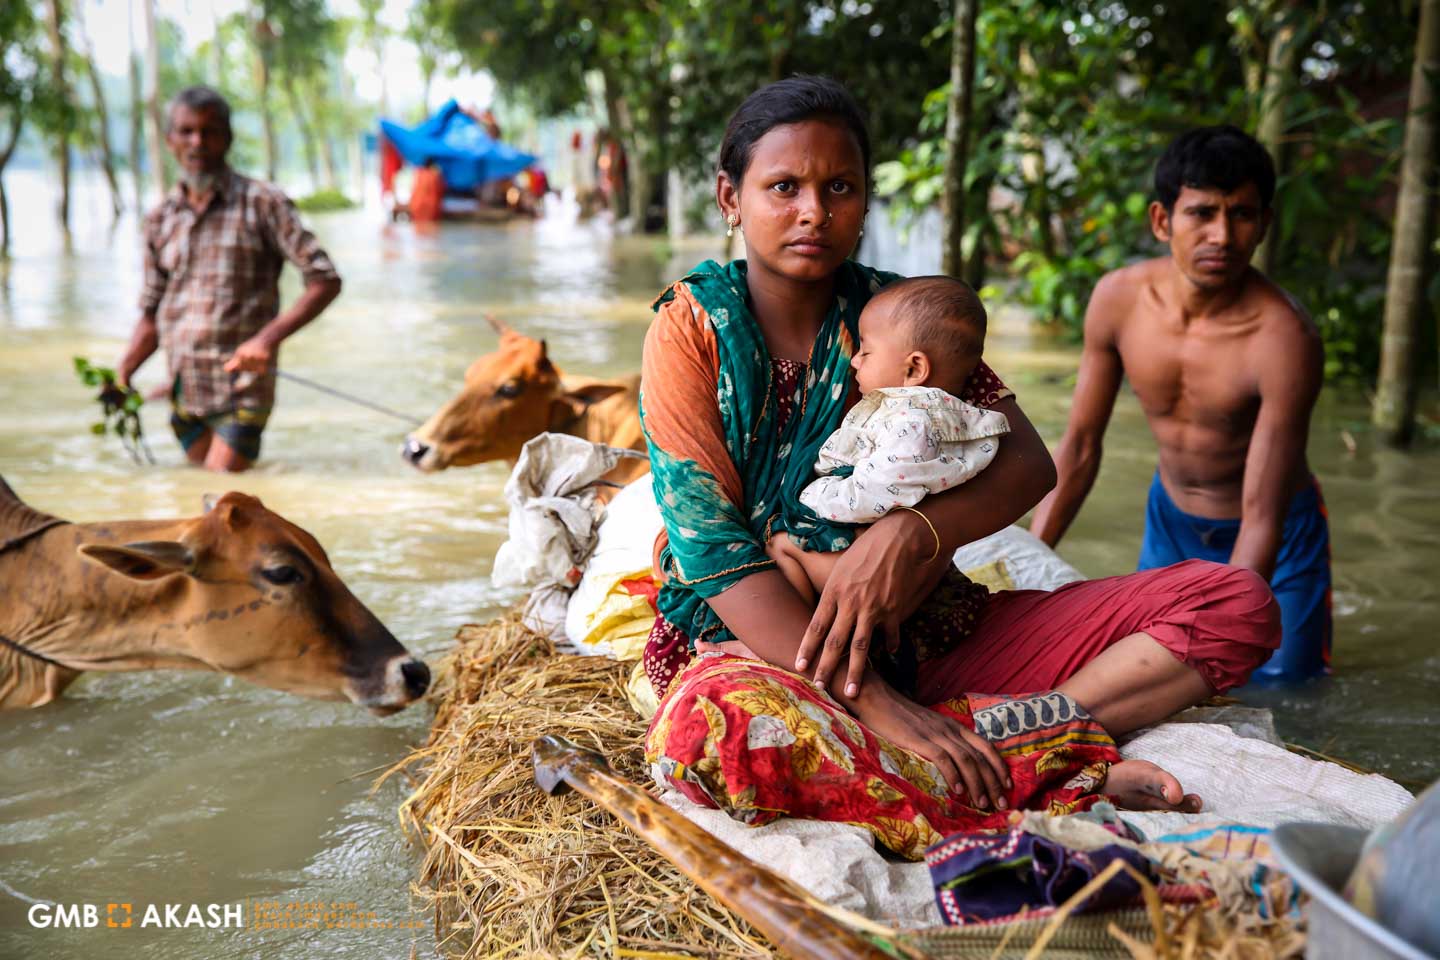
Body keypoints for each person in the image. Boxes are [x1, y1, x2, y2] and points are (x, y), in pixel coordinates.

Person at [639, 77, 1280, 854]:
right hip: (768, 651)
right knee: (707, 739)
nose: (814, 211)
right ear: (731, 198)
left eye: (840, 187)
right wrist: (870, 698)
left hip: (924, 632)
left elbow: (1023, 461)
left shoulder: (902, 313)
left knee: (1236, 603)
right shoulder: (690, 329)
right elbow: (710, 547)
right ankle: (1023, 757)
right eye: (784, 188)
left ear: (866, 201)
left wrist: (914, 533)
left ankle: (993, 744)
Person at [1030, 126, 1328, 683]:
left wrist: (1230, 637)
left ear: (1263, 224)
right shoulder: (1118, 301)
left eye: (1241, 214)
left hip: (1278, 536)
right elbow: (1080, 448)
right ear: (1162, 221)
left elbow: (1263, 511)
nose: (1222, 234)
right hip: (1169, 524)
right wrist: (1026, 561)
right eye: (1202, 213)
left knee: (1288, 693)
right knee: (1142, 669)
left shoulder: (1284, 339)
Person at [117, 86, 341, 472]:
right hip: (184, 393)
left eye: (209, 131)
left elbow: (325, 280)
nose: (197, 142)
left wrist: (265, 340)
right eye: (186, 131)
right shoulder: (160, 218)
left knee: (220, 499)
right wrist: (123, 373)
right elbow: (152, 312)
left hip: (241, 392)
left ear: (228, 138)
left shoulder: (263, 202)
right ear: (170, 141)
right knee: (199, 502)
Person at [768, 275, 1010, 612]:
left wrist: (812, 496)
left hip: (876, 566)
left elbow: (873, 493)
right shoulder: (959, 418)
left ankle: (792, 638)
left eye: (865, 351)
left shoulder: (912, 421)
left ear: (914, 368)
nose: (854, 360)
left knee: (780, 544)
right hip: (917, 561)